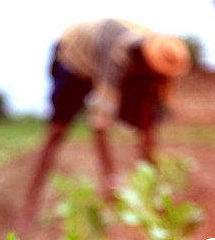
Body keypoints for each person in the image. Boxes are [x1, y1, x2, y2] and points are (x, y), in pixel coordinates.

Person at [22, 19, 191, 223]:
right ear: (145, 63)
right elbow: (100, 124)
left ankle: (151, 200)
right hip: (73, 57)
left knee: (143, 118)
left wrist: (154, 184)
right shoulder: (115, 60)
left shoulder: (153, 55)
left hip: (104, 53)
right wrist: (111, 180)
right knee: (58, 130)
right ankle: (30, 202)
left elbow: (146, 122)